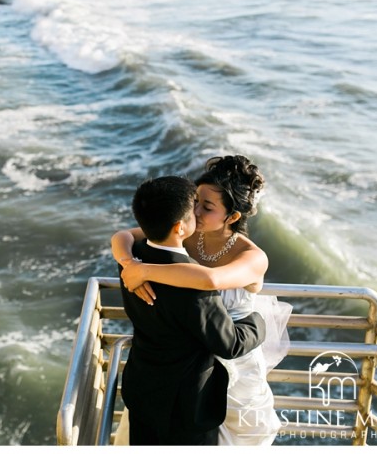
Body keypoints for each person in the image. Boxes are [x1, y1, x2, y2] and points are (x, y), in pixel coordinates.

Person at [113, 155, 291, 445]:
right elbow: (122, 236)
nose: (193, 211)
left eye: (206, 207)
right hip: (179, 369)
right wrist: (126, 261)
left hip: (231, 361)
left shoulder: (253, 257)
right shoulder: (187, 234)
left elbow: (209, 281)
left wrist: (141, 270)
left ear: (232, 217)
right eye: (194, 200)